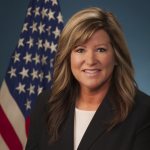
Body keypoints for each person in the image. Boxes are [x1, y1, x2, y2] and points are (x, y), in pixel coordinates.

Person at [25, 7, 150, 150]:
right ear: (68, 56)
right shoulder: (46, 104)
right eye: (80, 50)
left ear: (116, 56)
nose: (90, 60)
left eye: (100, 49)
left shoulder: (143, 112)